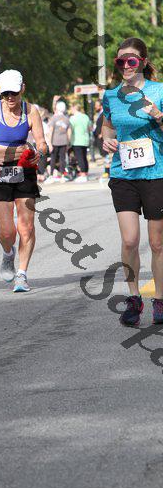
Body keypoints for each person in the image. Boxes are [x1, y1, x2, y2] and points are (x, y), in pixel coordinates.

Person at [102, 37, 163, 327]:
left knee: (157, 242)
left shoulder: (159, 91)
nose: (125, 65)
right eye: (120, 61)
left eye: (131, 60)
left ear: (143, 62)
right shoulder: (111, 95)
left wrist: (158, 115)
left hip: (156, 173)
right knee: (129, 240)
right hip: (123, 174)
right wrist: (106, 140)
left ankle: (160, 299)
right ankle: (134, 297)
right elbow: (107, 126)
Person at [0, 69, 47, 292]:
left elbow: (42, 143)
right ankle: (8, 253)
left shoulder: (31, 111)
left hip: (24, 169)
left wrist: (39, 153)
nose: (10, 97)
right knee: (7, 232)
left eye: (14, 92)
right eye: (5, 93)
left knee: (26, 227)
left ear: (22, 88)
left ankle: (22, 274)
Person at [46, 100, 71, 183]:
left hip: (54, 142)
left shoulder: (53, 118)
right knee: (62, 159)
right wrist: (68, 142)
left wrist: (49, 143)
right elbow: (69, 132)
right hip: (64, 142)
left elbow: (50, 131)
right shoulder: (66, 119)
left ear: (57, 108)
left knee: (53, 158)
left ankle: (51, 176)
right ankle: (63, 176)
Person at [69, 104, 92, 183]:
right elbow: (90, 128)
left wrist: (68, 140)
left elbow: (70, 129)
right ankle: (86, 173)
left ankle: (83, 174)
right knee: (84, 157)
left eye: (71, 108)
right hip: (85, 139)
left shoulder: (73, 118)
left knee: (79, 158)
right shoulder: (85, 117)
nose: (71, 110)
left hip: (76, 140)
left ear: (74, 108)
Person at [94, 99, 110, 178]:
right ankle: (107, 171)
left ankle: (107, 172)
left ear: (101, 106)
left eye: (96, 105)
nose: (95, 107)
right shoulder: (100, 114)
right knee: (105, 155)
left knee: (107, 155)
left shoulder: (105, 114)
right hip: (101, 139)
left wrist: (102, 133)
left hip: (104, 138)